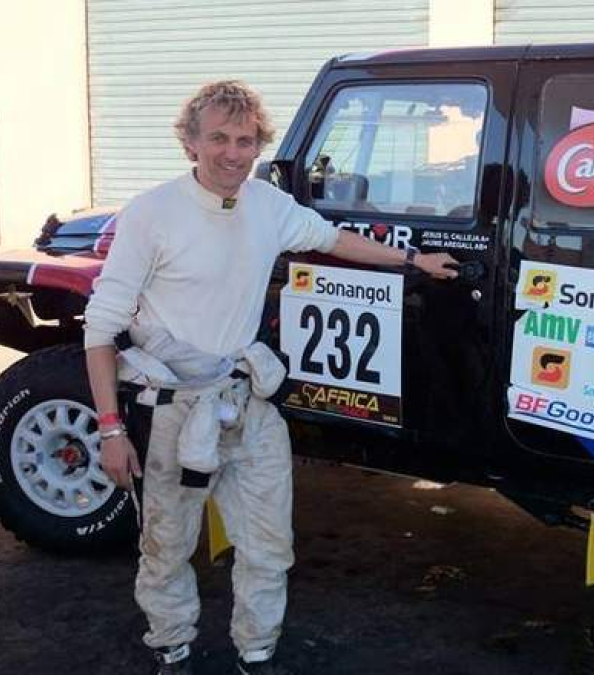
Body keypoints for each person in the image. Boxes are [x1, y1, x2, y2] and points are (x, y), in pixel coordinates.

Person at [84, 80, 458, 675]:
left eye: (246, 140)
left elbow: (333, 239)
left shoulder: (266, 204)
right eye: (219, 139)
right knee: (165, 546)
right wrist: (110, 431)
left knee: (268, 545)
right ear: (191, 143)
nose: (233, 153)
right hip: (172, 411)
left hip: (245, 399)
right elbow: (100, 330)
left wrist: (413, 261)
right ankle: (171, 648)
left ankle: (256, 653)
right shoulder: (151, 213)